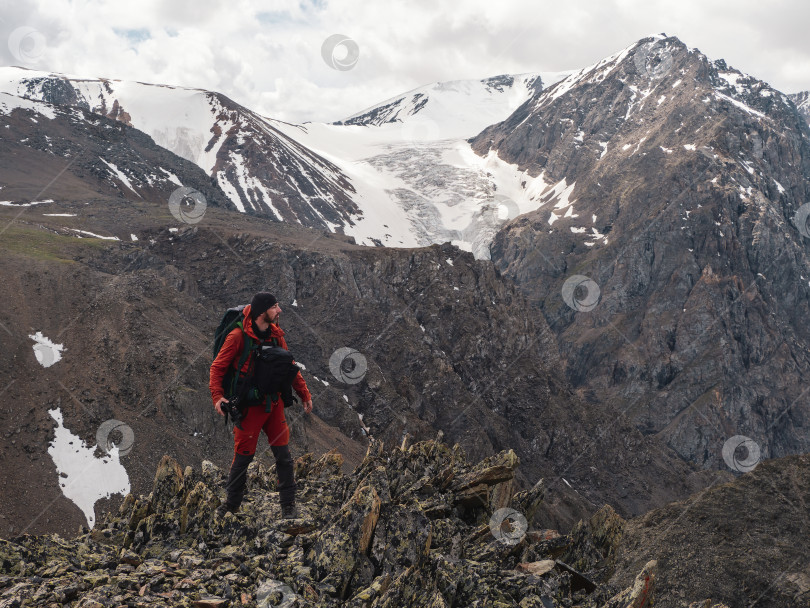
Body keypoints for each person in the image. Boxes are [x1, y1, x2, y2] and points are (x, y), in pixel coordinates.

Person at [209, 292, 313, 519]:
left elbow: (289, 366)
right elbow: (217, 368)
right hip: (249, 409)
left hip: (273, 405)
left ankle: (288, 506)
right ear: (262, 311)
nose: (280, 311)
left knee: (284, 456)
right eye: (275, 307)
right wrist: (218, 397)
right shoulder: (237, 337)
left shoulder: (276, 336)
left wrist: (304, 394)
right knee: (243, 457)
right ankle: (231, 504)